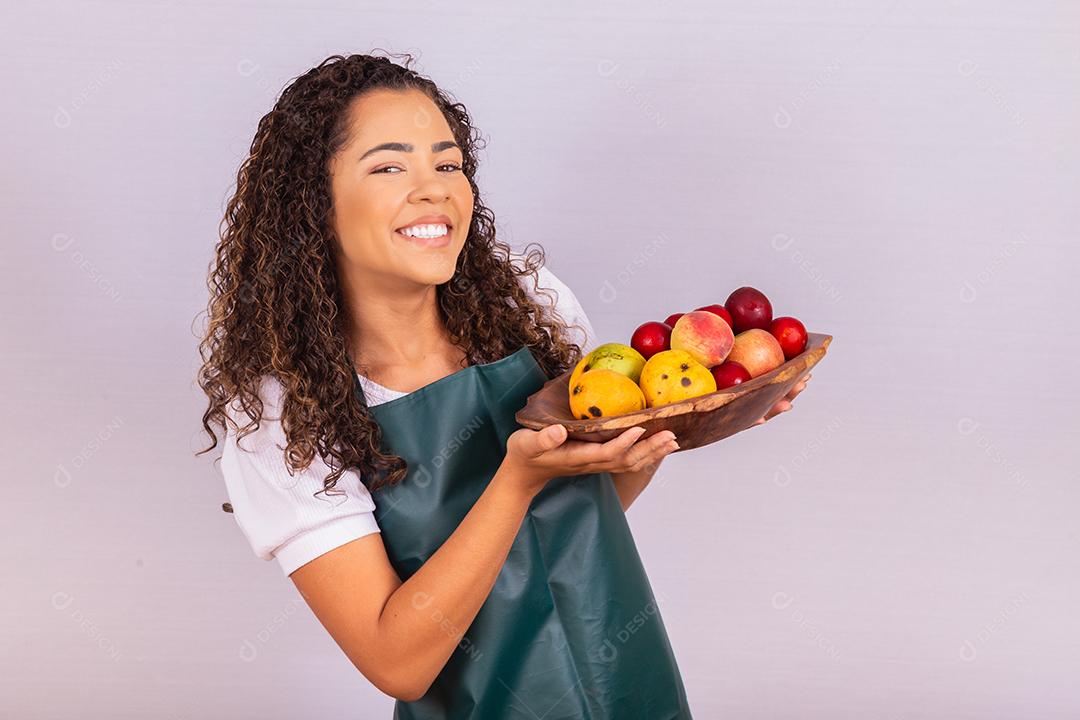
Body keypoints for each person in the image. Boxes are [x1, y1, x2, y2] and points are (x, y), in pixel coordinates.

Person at [196, 52, 806, 719]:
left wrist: (678, 423)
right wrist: (515, 480)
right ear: (312, 200)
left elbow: (580, 518)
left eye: (448, 163)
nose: (434, 189)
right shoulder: (282, 414)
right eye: (390, 166)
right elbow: (397, 661)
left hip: (631, 689)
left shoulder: (528, 301)